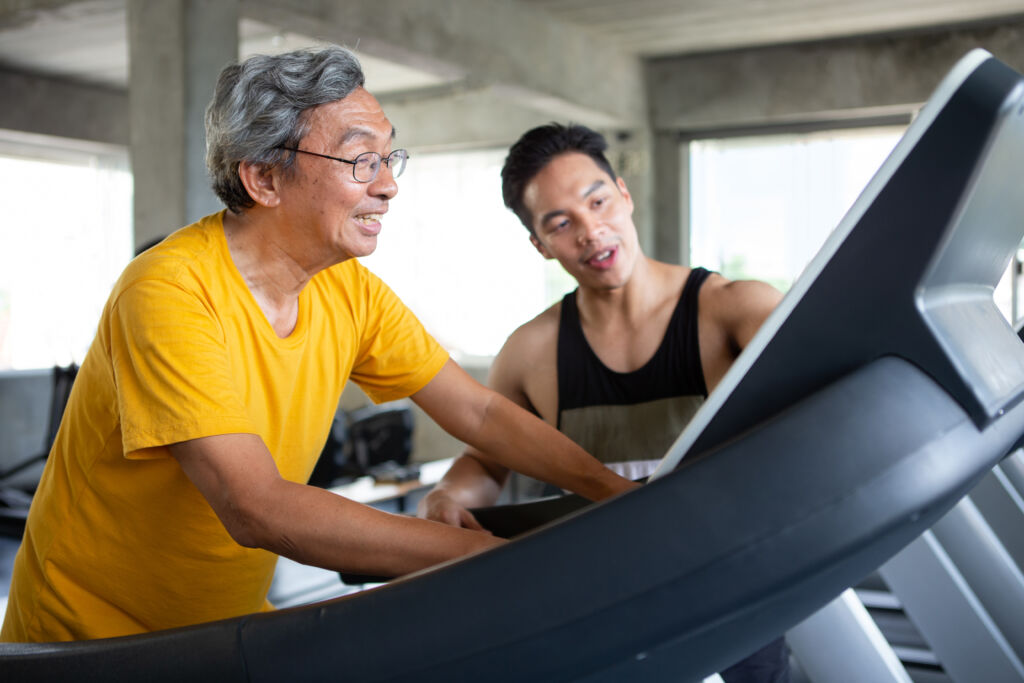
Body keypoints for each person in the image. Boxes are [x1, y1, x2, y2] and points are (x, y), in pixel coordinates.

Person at [0, 48, 637, 643]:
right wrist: (484, 558)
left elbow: (479, 413)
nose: (388, 185)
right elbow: (255, 507)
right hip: (86, 638)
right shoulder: (169, 291)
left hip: (221, 629)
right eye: (362, 160)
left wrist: (616, 494)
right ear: (263, 179)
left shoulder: (349, 292)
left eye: (391, 158)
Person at [418, 123, 789, 682]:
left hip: (731, 588)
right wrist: (448, 495)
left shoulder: (735, 310)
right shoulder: (530, 351)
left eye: (598, 202)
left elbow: (821, 380)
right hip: (600, 601)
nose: (592, 231)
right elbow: (488, 459)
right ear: (540, 245)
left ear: (624, 193)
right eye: (562, 223)